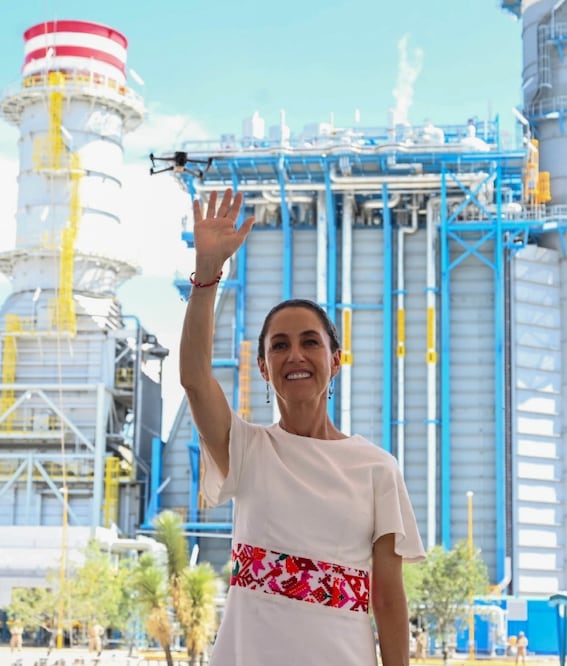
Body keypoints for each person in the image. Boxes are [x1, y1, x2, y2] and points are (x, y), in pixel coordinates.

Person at [180, 188, 425, 666]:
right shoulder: (247, 449)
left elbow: (390, 599)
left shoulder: (377, 468)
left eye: (310, 343)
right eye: (279, 346)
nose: (295, 355)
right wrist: (207, 275)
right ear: (263, 367)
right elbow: (193, 378)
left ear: (335, 361)